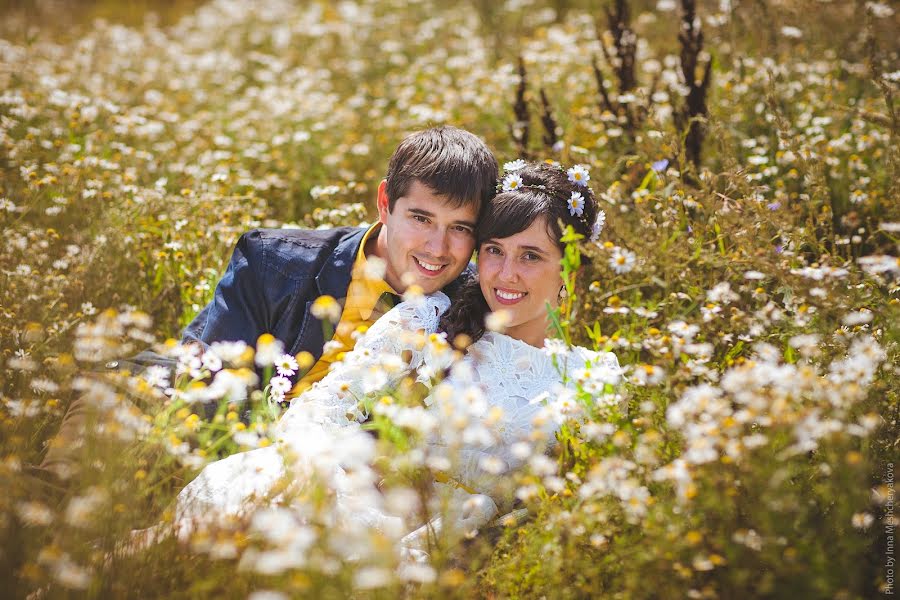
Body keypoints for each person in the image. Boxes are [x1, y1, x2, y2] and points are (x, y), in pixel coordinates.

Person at [165, 161, 621, 556]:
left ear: (569, 269)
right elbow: (321, 408)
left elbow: (575, 506)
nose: (506, 273)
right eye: (494, 251)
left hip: (447, 552)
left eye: (531, 256)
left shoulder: (593, 377)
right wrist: (329, 476)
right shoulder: (428, 319)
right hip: (337, 501)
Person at [37, 125, 498, 479]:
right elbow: (209, 375)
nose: (438, 247)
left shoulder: (477, 305)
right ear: (384, 203)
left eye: (460, 227)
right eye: (421, 218)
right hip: (204, 410)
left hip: (322, 469)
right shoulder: (273, 261)